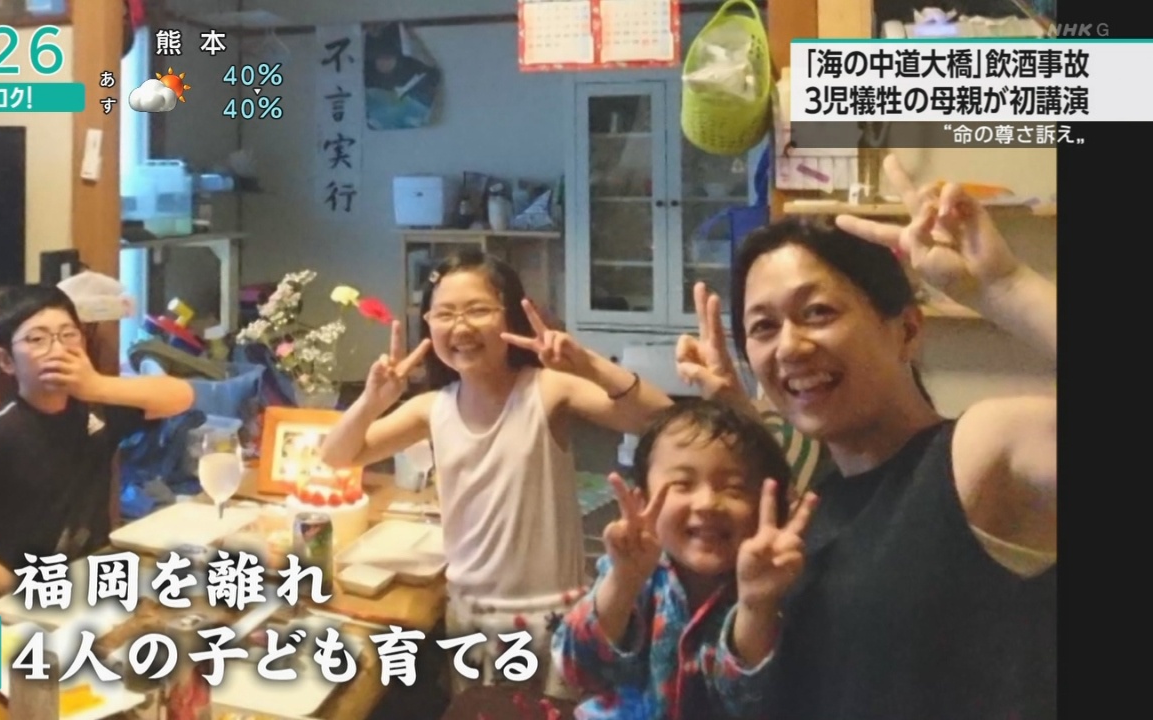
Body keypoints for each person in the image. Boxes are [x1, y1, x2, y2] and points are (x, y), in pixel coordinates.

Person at [689, 155, 1055, 720]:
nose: (789, 347)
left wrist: (1008, 289)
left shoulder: (977, 457)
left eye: (817, 312)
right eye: (763, 327)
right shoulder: (817, 506)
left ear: (906, 329)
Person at [320, 250, 674, 697]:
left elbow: (662, 420)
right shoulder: (432, 407)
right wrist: (371, 401)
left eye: (477, 310)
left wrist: (589, 364)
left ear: (510, 318)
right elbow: (337, 456)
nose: (461, 327)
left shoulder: (547, 390)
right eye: (444, 314)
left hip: (552, 616)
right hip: (471, 618)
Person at [0, 285, 195, 615]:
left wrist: (97, 385)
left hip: (82, 584)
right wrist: (5, 587)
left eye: (68, 335)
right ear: (6, 361)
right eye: (37, 339)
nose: (57, 349)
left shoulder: (97, 405)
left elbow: (182, 397)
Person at [552, 400, 818, 718]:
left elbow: (751, 704)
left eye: (734, 488)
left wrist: (755, 605)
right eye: (682, 484)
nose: (707, 503)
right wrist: (623, 582)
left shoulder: (776, 589)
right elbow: (577, 670)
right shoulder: (627, 572)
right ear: (643, 502)